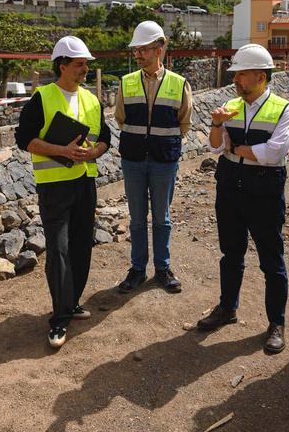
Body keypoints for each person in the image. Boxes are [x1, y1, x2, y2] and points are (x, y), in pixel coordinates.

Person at [198, 44, 289, 354]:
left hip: (265, 188)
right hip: (229, 184)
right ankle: (227, 308)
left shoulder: (284, 108)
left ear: (260, 75)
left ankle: (276, 323)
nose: (236, 80)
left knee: (271, 258)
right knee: (231, 253)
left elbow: (276, 152)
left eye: (241, 74)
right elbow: (215, 148)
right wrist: (216, 124)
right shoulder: (231, 106)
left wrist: (239, 150)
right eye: (236, 74)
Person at [14, 35, 112, 349]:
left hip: (85, 183)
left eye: (86, 64)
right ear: (62, 65)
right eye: (80, 64)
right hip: (54, 187)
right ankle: (59, 318)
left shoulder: (92, 100)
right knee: (57, 249)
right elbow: (24, 139)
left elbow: (104, 139)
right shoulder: (42, 98)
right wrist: (62, 150)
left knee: (82, 245)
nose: (85, 68)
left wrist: (93, 153)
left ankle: (72, 303)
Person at [115, 20, 193, 294]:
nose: (138, 54)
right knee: (137, 218)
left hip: (164, 161)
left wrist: (162, 143)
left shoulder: (179, 83)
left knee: (162, 218)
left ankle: (162, 268)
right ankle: (137, 269)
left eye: (143, 49)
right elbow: (121, 119)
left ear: (158, 49)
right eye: (136, 50)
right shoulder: (126, 82)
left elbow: (184, 122)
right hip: (134, 160)